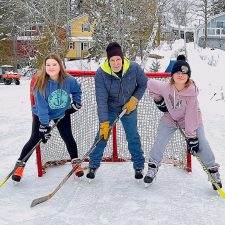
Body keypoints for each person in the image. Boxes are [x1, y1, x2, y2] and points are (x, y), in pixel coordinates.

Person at [144, 60, 222, 190]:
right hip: (170, 118)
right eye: (178, 72)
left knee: (202, 142)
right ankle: (153, 167)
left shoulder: (192, 93)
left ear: (188, 77)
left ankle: (213, 171)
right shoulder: (165, 87)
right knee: (160, 140)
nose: (180, 75)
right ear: (173, 75)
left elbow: (191, 116)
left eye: (184, 73)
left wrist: (192, 138)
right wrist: (159, 100)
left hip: (190, 119)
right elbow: (150, 84)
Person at [12, 54, 83, 182]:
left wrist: (76, 103)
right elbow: (42, 107)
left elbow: (77, 91)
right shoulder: (40, 83)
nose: (51, 67)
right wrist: (44, 126)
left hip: (61, 113)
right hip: (41, 114)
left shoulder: (69, 80)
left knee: (68, 136)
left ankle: (75, 163)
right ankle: (20, 166)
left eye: (54, 64)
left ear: (60, 66)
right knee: (35, 138)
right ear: (44, 67)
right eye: (48, 65)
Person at [86, 42, 148, 180]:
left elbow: (144, 83)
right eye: (112, 60)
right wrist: (104, 122)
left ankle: (138, 165)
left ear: (122, 58)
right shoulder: (101, 74)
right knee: (102, 135)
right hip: (110, 108)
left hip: (129, 108)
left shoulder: (133, 68)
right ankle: (93, 164)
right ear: (108, 61)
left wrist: (134, 100)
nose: (116, 63)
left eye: (118, 59)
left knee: (132, 136)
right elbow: (101, 100)